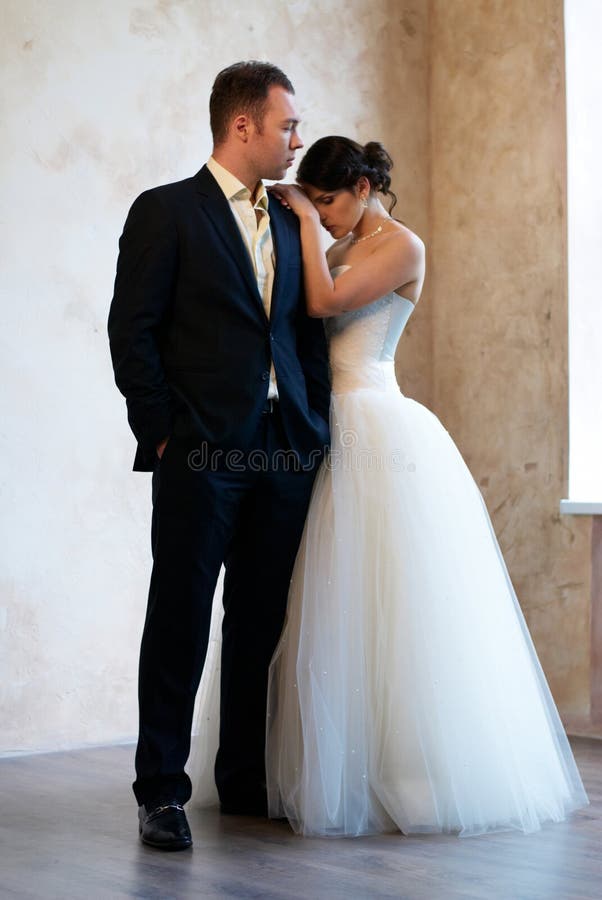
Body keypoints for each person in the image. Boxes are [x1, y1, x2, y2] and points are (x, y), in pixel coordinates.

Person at [261, 136, 588, 836]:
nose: (324, 214)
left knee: (395, 599)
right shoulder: (340, 238)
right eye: (316, 202)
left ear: (359, 186)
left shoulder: (401, 246)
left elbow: (322, 304)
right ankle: (340, 764)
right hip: (325, 425)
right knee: (337, 600)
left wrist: (306, 222)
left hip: (377, 423)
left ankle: (407, 774)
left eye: (328, 200)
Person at [107, 62, 330, 851]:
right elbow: (130, 331)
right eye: (287, 125)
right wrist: (163, 431)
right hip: (199, 450)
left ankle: (243, 779)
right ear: (244, 127)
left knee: (261, 622)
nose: (297, 138)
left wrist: (314, 426)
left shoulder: (292, 221)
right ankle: (162, 791)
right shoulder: (167, 212)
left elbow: (305, 333)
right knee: (181, 615)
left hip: (283, 451)